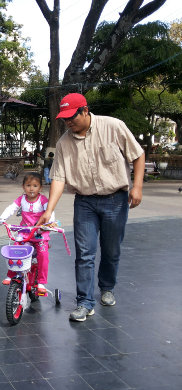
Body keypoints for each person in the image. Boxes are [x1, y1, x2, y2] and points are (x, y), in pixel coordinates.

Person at [36, 93, 145, 322]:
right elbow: (58, 178)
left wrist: (137, 187)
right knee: (85, 254)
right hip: (84, 203)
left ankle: (107, 287)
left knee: (111, 249)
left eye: (71, 117)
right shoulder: (64, 142)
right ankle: (85, 302)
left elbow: (138, 155)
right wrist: (48, 211)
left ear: (85, 111)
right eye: (64, 119)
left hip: (116, 199)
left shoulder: (113, 126)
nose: (68, 122)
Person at [0, 172, 56, 294]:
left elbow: (50, 211)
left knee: (43, 254)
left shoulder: (43, 200)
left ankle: (41, 282)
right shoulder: (21, 199)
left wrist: (51, 222)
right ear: (23, 187)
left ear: (40, 188)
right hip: (24, 233)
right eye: (28, 185)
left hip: (40, 233)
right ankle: (11, 274)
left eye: (35, 186)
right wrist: (1, 219)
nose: (31, 188)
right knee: (15, 250)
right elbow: (11, 208)